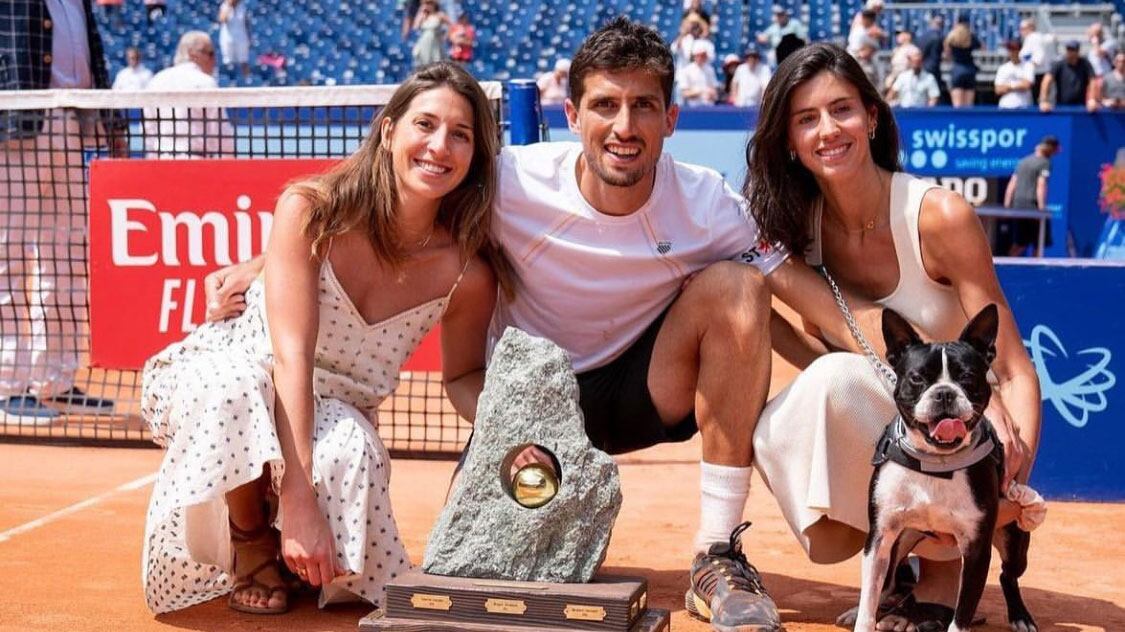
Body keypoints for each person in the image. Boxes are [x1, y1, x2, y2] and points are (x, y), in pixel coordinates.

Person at [139, 61, 503, 616]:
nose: (439, 146)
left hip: (337, 404)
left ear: (476, 155)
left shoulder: (468, 274)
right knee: (235, 389)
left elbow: (460, 376)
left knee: (352, 454)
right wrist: (300, 497)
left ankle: (297, 549)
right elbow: (290, 359)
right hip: (245, 372)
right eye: (425, 124)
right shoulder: (310, 209)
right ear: (388, 131)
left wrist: (511, 429)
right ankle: (253, 536)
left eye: (460, 134)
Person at [745, 42, 1041, 631]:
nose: (828, 130)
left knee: (840, 379)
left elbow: (1011, 368)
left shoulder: (939, 215)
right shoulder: (797, 229)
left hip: (968, 446)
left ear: (873, 117)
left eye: (842, 110)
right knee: (805, 400)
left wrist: (1010, 479)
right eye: (806, 119)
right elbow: (826, 357)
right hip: (896, 441)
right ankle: (898, 562)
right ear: (788, 141)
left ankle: (941, 575)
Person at [1, 0, 123, 424]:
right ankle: (8, 384)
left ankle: (55, 378)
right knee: (9, 256)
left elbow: (92, 53)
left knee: (66, 257)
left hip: (71, 122)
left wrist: (111, 120)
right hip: (16, 124)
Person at [143, 31, 236, 158]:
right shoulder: (206, 83)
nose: (214, 60)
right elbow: (221, 131)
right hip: (196, 164)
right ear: (193, 53)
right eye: (210, 54)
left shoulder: (156, 80)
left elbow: (148, 128)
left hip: (162, 162)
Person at [999, 136, 1060, 257]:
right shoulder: (1044, 163)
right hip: (1033, 207)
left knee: (1020, 243)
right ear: (1050, 148)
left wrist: (1007, 205)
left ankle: (1005, 271)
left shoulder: (1022, 162)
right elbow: (1041, 185)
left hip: (1018, 206)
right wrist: (1041, 209)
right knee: (1038, 244)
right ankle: (1036, 272)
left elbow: (1012, 183)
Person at [1040, 40, 1099, 112]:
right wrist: (1044, 100)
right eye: (1068, 49)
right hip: (1061, 107)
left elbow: (1092, 80)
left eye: (1072, 50)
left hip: (1081, 107)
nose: (1069, 52)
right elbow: (1046, 80)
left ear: (1078, 51)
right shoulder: (1059, 64)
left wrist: (1092, 99)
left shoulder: (1085, 64)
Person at [944, 15, 980, 107]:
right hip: (969, 69)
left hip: (957, 68)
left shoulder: (952, 35)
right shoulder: (970, 35)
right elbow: (981, 47)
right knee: (968, 106)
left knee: (957, 105)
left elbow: (947, 52)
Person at [1018, 18, 1057, 103]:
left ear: (1030, 28)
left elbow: (1038, 58)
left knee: (1039, 101)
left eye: (1023, 29)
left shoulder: (1033, 37)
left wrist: (1028, 64)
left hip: (1037, 75)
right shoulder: (1037, 37)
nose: (1021, 31)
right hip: (1039, 73)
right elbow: (1050, 38)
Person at [916, 13, 948, 104]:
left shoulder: (922, 36)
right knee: (934, 94)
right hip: (934, 68)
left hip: (924, 66)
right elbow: (946, 53)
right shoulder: (940, 36)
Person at [994, 39, 1035, 109]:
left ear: (1019, 50)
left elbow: (1026, 85)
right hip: (1005, 106)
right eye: (1010, 49)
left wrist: (1007, 86)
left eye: (1015, 49)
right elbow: (998, 90)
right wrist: (1019, 85)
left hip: (1024, 106)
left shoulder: (1028, 66)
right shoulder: (1002, 68)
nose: (1012, 52)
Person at [411, 0, 451, 68]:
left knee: (436, 63)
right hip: (424, 42)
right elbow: (415, 27)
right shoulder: (422, 15)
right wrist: (421, 14)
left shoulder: (440, 15)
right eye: (424, 3)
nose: (427, 5)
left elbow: (451, 25)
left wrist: (445, 36)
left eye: (429, 3)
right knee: (423, 64)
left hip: (435, 42)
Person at [678, 40, 719, 106]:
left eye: (704, 55)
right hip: (693, 108)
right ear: (695, 56)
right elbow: (684, 93)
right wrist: (701, 92)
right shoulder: (686, 70)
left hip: (709, 107)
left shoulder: (710, 70)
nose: (702, 58)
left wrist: (712, 94)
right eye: (699, 55)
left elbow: (714, 90)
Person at [218, 0, 251, 80]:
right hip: (227, 38)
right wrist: (229, 7)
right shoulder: (224, 6)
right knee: (228, 62)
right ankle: (228, 81)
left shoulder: (243, 6)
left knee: (243, 61)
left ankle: (246, 81)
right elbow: (222, 20)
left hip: (241, 38)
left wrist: (249, 37)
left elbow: (246, 22)